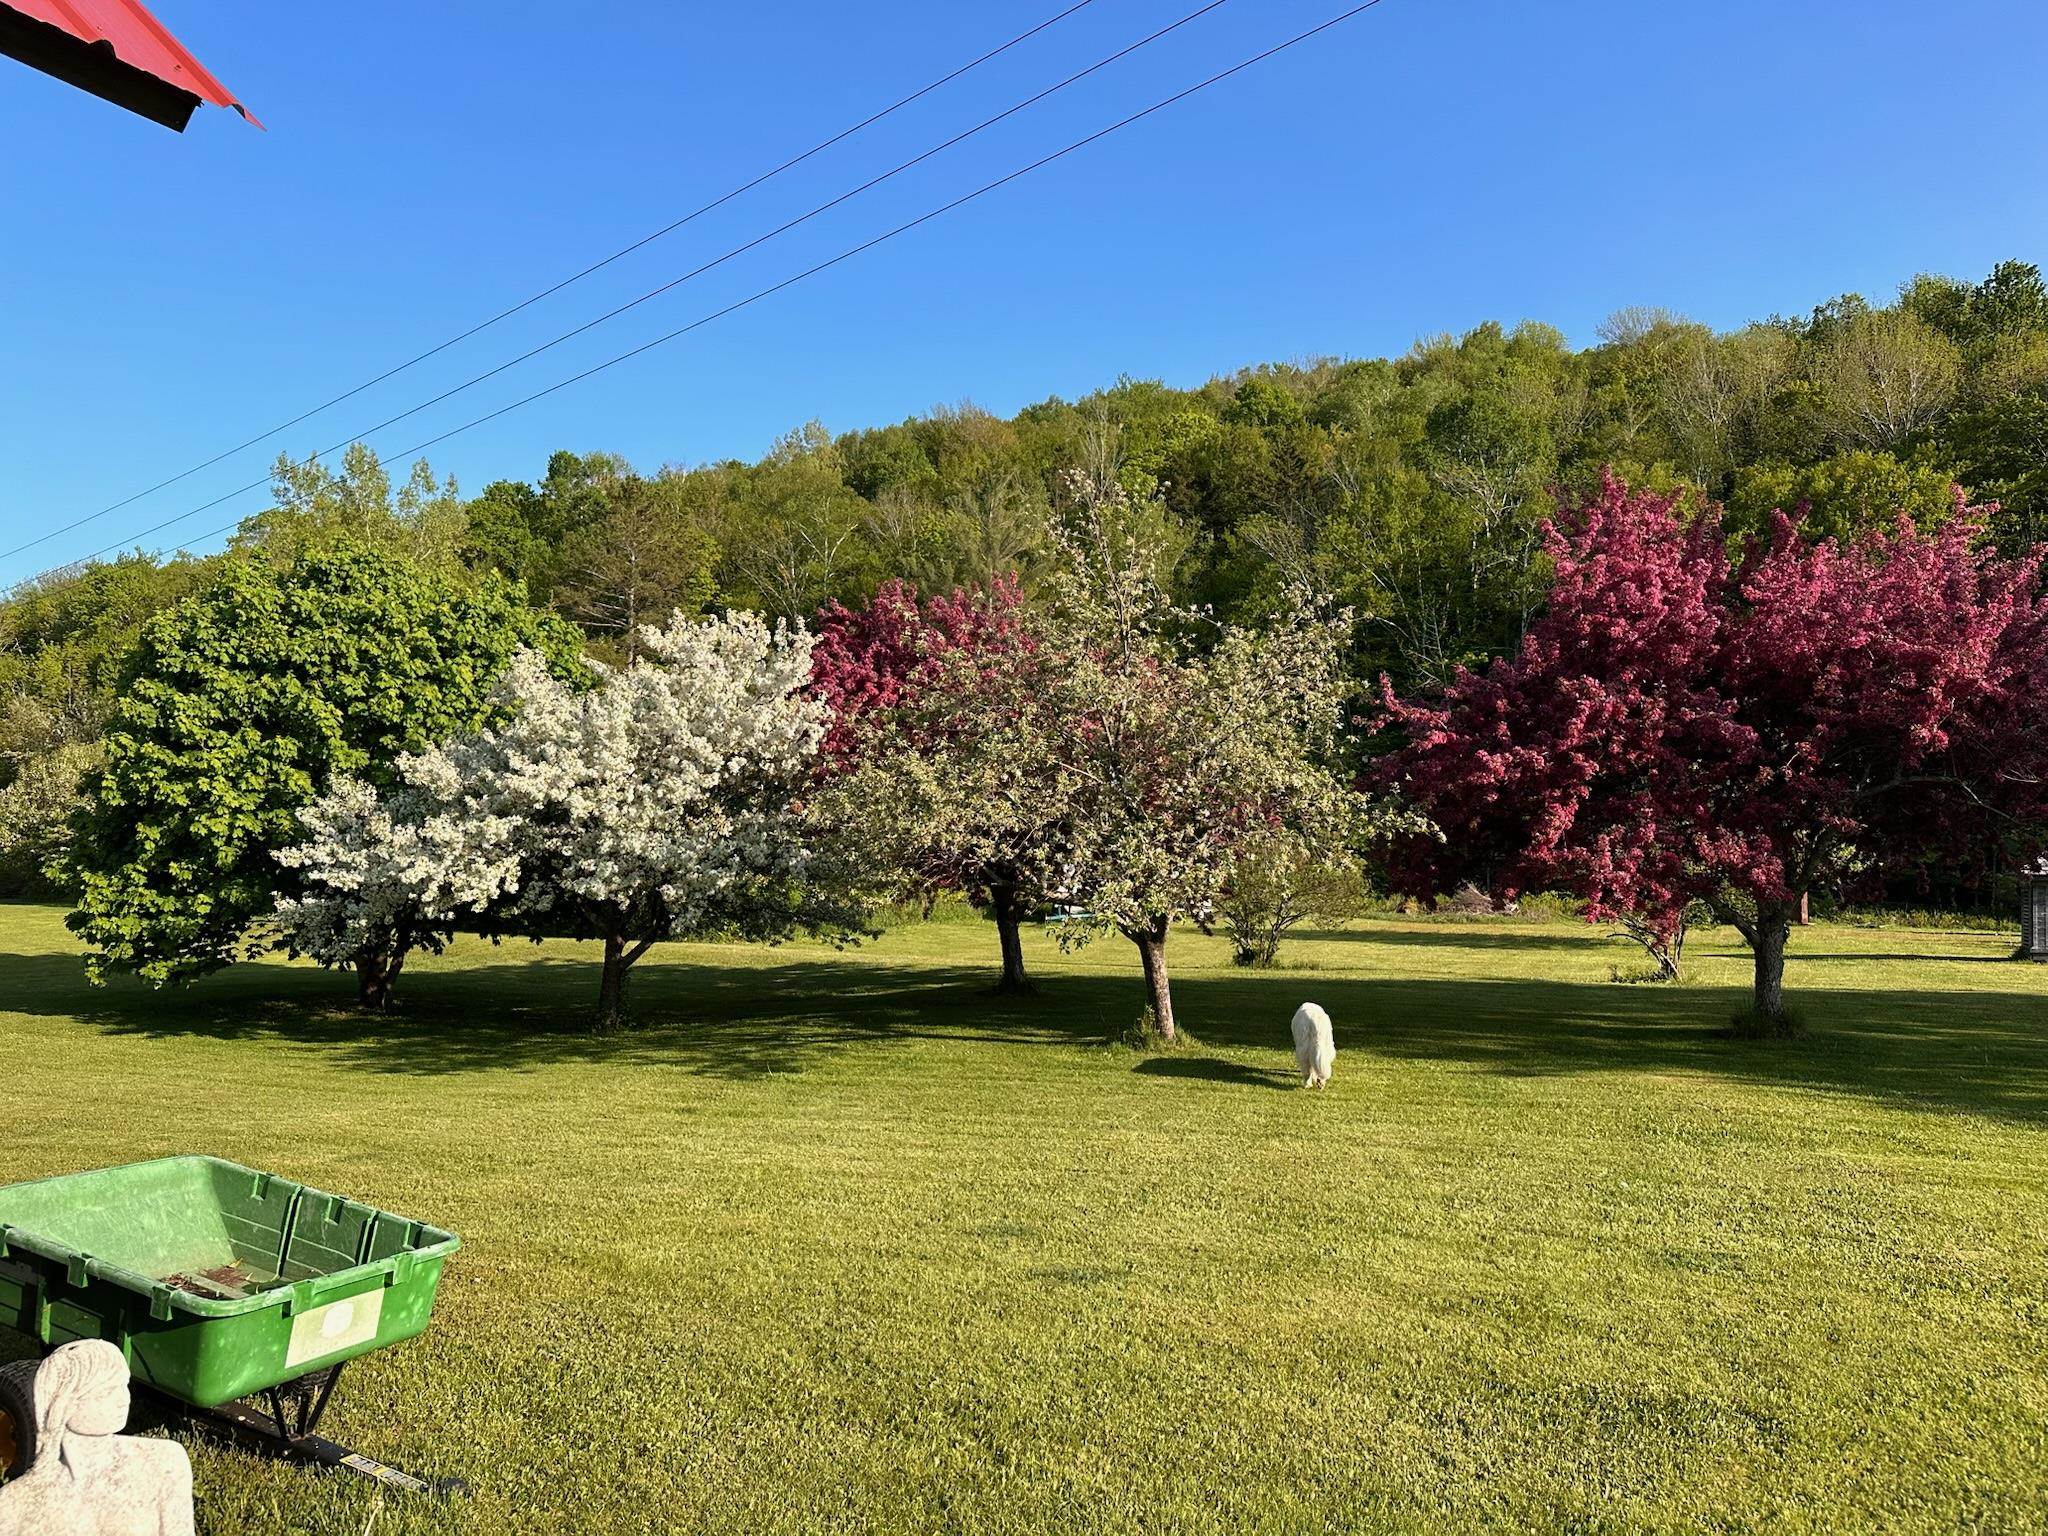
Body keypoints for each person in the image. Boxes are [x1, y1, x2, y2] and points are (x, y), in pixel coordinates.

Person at [0, 1340, 194, 1536]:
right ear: (65, 1404)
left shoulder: (163, 1461)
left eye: (124, 1386)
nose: (124, 1399)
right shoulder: (17, 1503)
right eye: (107, 1392)